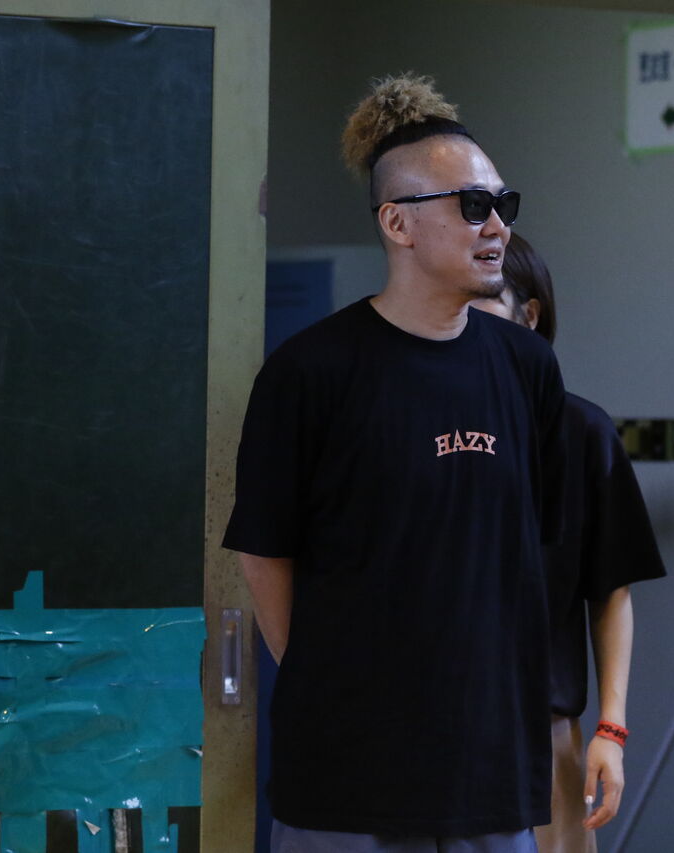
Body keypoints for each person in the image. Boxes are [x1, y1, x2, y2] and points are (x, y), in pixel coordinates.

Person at [223, 74, 566, 853]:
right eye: (472, 206)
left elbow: (533, 546)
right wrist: (331, 679)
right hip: (349, 785)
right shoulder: (311, 371)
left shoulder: (526, 367)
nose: (497, 228)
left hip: (491, 778)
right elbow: (265, 552)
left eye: (503, 205)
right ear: (398, 223)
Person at [470, 234, 666, 853]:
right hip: (429, 726)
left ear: (528, 315)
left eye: (481, 304)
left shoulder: (582, 431)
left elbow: (610, 592)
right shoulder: (413, 423)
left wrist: (612, 727)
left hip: (545, 727)